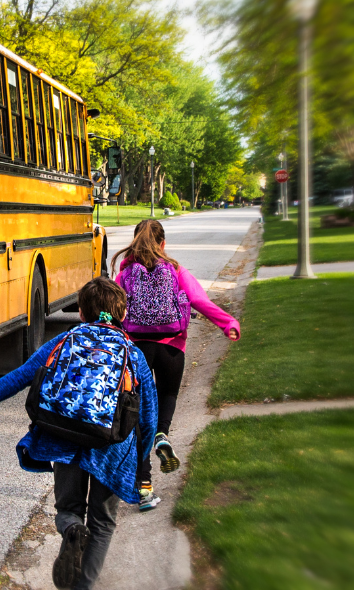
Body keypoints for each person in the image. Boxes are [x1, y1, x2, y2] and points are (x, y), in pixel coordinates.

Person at [0, 277, 158, 590]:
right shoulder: (134, 355)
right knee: (103, 523)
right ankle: (82, 586)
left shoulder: (61, 342)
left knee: (68, 510)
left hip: (64, 439)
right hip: (110, 450)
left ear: (81, 314)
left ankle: (72, 529)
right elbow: (149, 418)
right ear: (123, 314)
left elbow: (11, 381)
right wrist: (144, 471)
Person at [111, 219, 240, 510]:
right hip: (172, 348)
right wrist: (227, 323)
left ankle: (144, 489)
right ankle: (163, 435)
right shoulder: (177, 270)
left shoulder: (125, 273)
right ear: (163, 244)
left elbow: (111, 311)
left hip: (137, 350)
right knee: (167, 395)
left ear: (134, 242)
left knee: (137, 419)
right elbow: (199, 300)